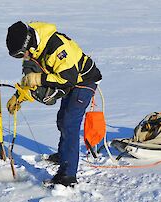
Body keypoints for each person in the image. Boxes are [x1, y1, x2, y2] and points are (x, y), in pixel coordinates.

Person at [6, 21, 102, 187]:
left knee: (70, 123)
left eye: (22, 54)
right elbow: (30, 75)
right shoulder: (35, 47)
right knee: (62, 120)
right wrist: (18, 96)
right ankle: (64, 155)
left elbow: (68, 79)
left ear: (28, 45)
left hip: (83, 81)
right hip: (69, 80)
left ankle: (67, 176)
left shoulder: (57, 48)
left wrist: (39, 79)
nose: (23, 58)